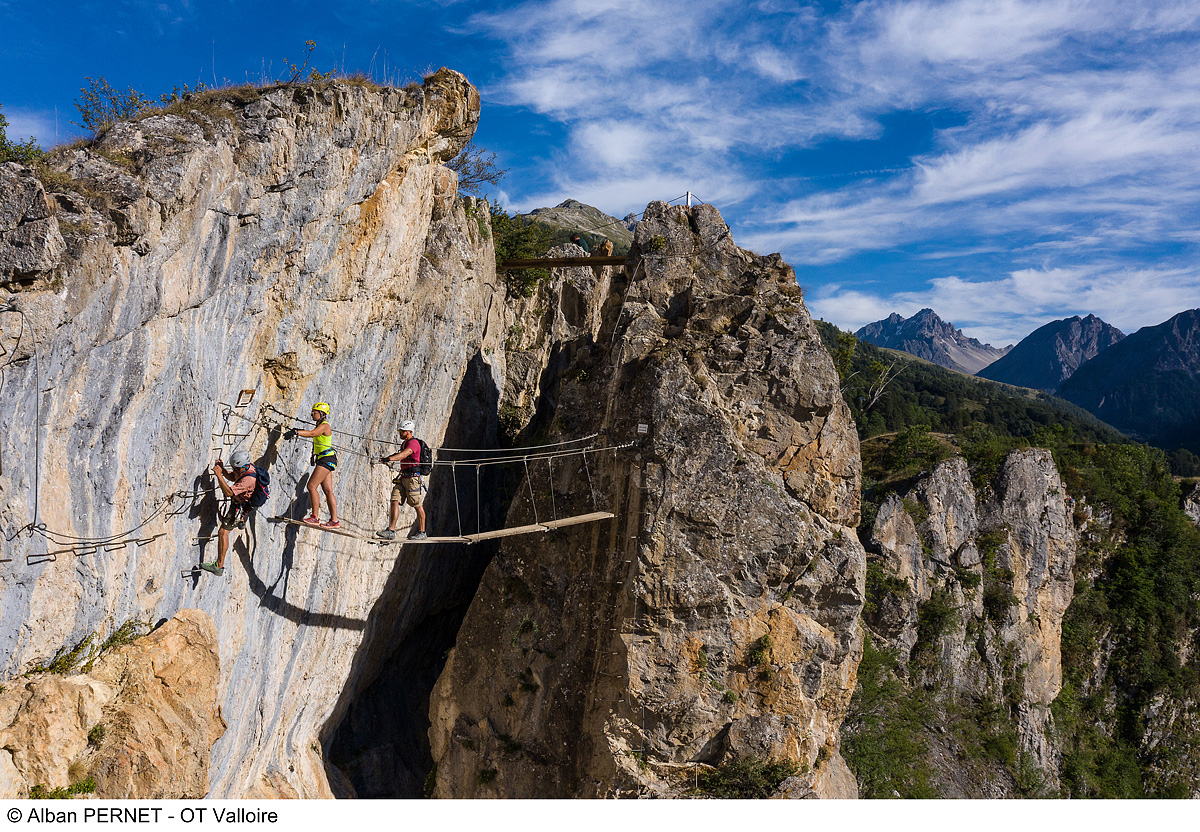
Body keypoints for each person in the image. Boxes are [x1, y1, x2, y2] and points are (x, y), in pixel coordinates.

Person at [201, 450, 257, 577]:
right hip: (241, 502)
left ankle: (218, 566)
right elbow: (233, 477)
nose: (234, 470)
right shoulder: (247, 467)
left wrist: (220, 476)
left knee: (223, 532)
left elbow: (229, 493)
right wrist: (223, 470)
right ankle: (241, 521)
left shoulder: (248, 479)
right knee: (226, 529)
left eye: (236, 469)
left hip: (239, 507)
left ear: (243, 466)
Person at [288, 401, 339, 528]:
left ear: (321, 413)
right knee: (328, 491)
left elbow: (312, 434)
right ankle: (334, 521)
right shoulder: (320, 425)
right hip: (327, 459)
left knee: (311, 486)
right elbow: (312, 432)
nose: (312, 414)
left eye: (314, 412)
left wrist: (297, 432)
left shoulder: (324, 426)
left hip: (326, 459)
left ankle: (314, 517)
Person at [376, 419, 426, 540]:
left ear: (409, 432)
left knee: (417, 505)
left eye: (402, 431)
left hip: (413, 479)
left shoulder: (413, 443)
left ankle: (422, 532)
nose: (400, 433)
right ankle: (391, 531)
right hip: (403, 477)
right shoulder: (405, 443)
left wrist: (390, 459)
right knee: (395, 500)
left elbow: (404, 454)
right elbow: (403, 454)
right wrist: (388, 458)